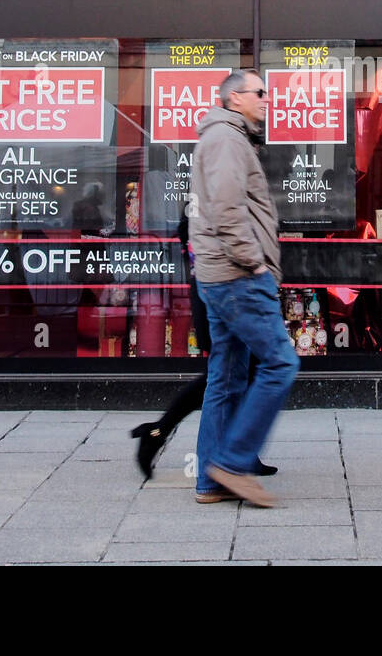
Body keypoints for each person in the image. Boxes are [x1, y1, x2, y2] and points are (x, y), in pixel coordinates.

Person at [189, 69, 299, 508]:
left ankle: (209, 481)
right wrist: (256, 265)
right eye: (259, 92)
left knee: (227, 378)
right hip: (237, 277)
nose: (266, 99)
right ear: (235, 98)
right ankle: (231, 464)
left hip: (222, 276)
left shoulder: (226, 137)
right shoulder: (226, 140)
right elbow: (227, 211)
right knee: (280, 364)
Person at [129, 205, 277, 481]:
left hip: (223, 288)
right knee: (231, 370)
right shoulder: (210, 187)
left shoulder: (217, 183)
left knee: (240, 369)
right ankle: (163, 433)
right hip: (219, 290)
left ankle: (162, 433)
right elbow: (192, 233)